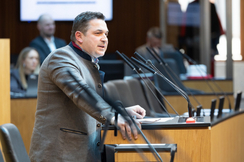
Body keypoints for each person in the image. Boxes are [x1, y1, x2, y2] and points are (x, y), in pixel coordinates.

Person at [29, 11, 146, 162]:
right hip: (57, 154)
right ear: (79, 36)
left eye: (106, 34)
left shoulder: (88, 62)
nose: (104, 39)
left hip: (82, 153)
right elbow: (81, 94)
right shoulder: (61, 58)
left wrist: (122, 112)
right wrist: (114, 116)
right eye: (98, 33)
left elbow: (94, 101)